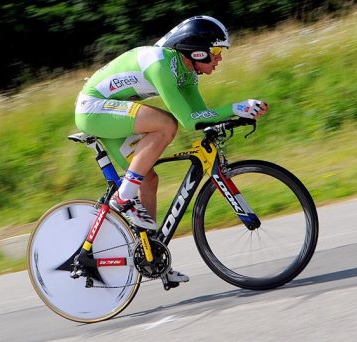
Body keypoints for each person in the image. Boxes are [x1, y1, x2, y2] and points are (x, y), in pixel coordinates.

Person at [74, 15, 269, 285]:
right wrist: (236, 107)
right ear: (196, 50)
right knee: (166, 125)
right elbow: (188, 121)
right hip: (93, 109)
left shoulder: (186, 72)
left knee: (148, 177)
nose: (219, 58)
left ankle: (152, 257)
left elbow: (201, 115)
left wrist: (232, 118)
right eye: (215, 52)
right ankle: (123, 197)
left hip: (112, 111)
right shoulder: (162, 64)